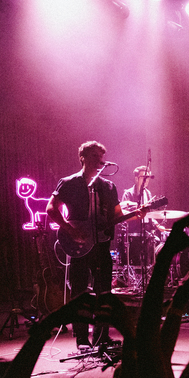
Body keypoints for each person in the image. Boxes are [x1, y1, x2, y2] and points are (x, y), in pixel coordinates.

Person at [46, 141, 143, 351]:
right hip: (78, 245)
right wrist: (70, 230)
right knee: (80, 292)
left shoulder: (108, 187)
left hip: (101, 245)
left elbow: (117, 217)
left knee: (104, 293)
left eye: (102, 156)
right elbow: (51, 209)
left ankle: (102, 338)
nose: (100, 161)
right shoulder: (69, 182)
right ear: (83, 157)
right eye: (94, 156)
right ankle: (81, 340)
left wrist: (136, 215)